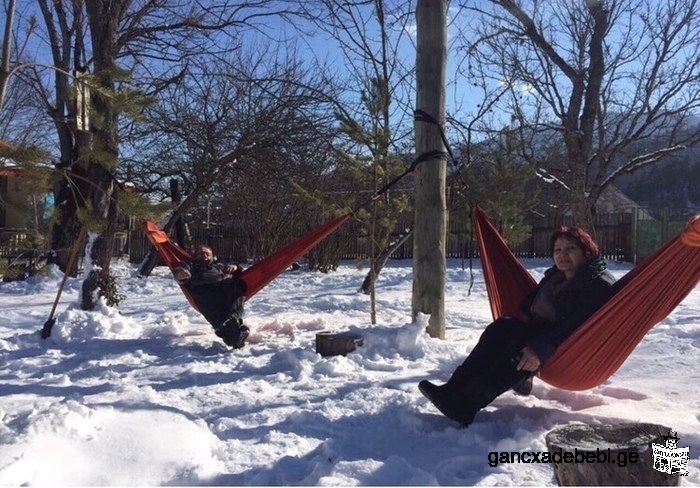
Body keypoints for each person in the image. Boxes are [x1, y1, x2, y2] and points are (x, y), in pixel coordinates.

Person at [419, 225, 617, 427]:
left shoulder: (597, 284)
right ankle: (452, 389)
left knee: (518, 350)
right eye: (557, 250)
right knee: (500, 329)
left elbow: (576, 327)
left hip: (569, 348)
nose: (562, 255)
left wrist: (539, 349)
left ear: (587, 251)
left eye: (570, 249)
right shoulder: (556, 276)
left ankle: (467, 405)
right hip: (541, 332)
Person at [173, 245, 249, 349]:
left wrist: (235, 267)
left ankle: (232, 331)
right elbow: (179, 271)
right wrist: (182, 274)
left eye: (207, 254)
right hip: (203, 289)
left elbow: (238, 270)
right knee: (212, 305)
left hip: (224, 289)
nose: (204, 255)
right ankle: (231, 332)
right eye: (201, 253)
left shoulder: (218, 266)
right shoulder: (190, 265)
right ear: (195, 256)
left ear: (212, 256)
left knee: (239, 285)